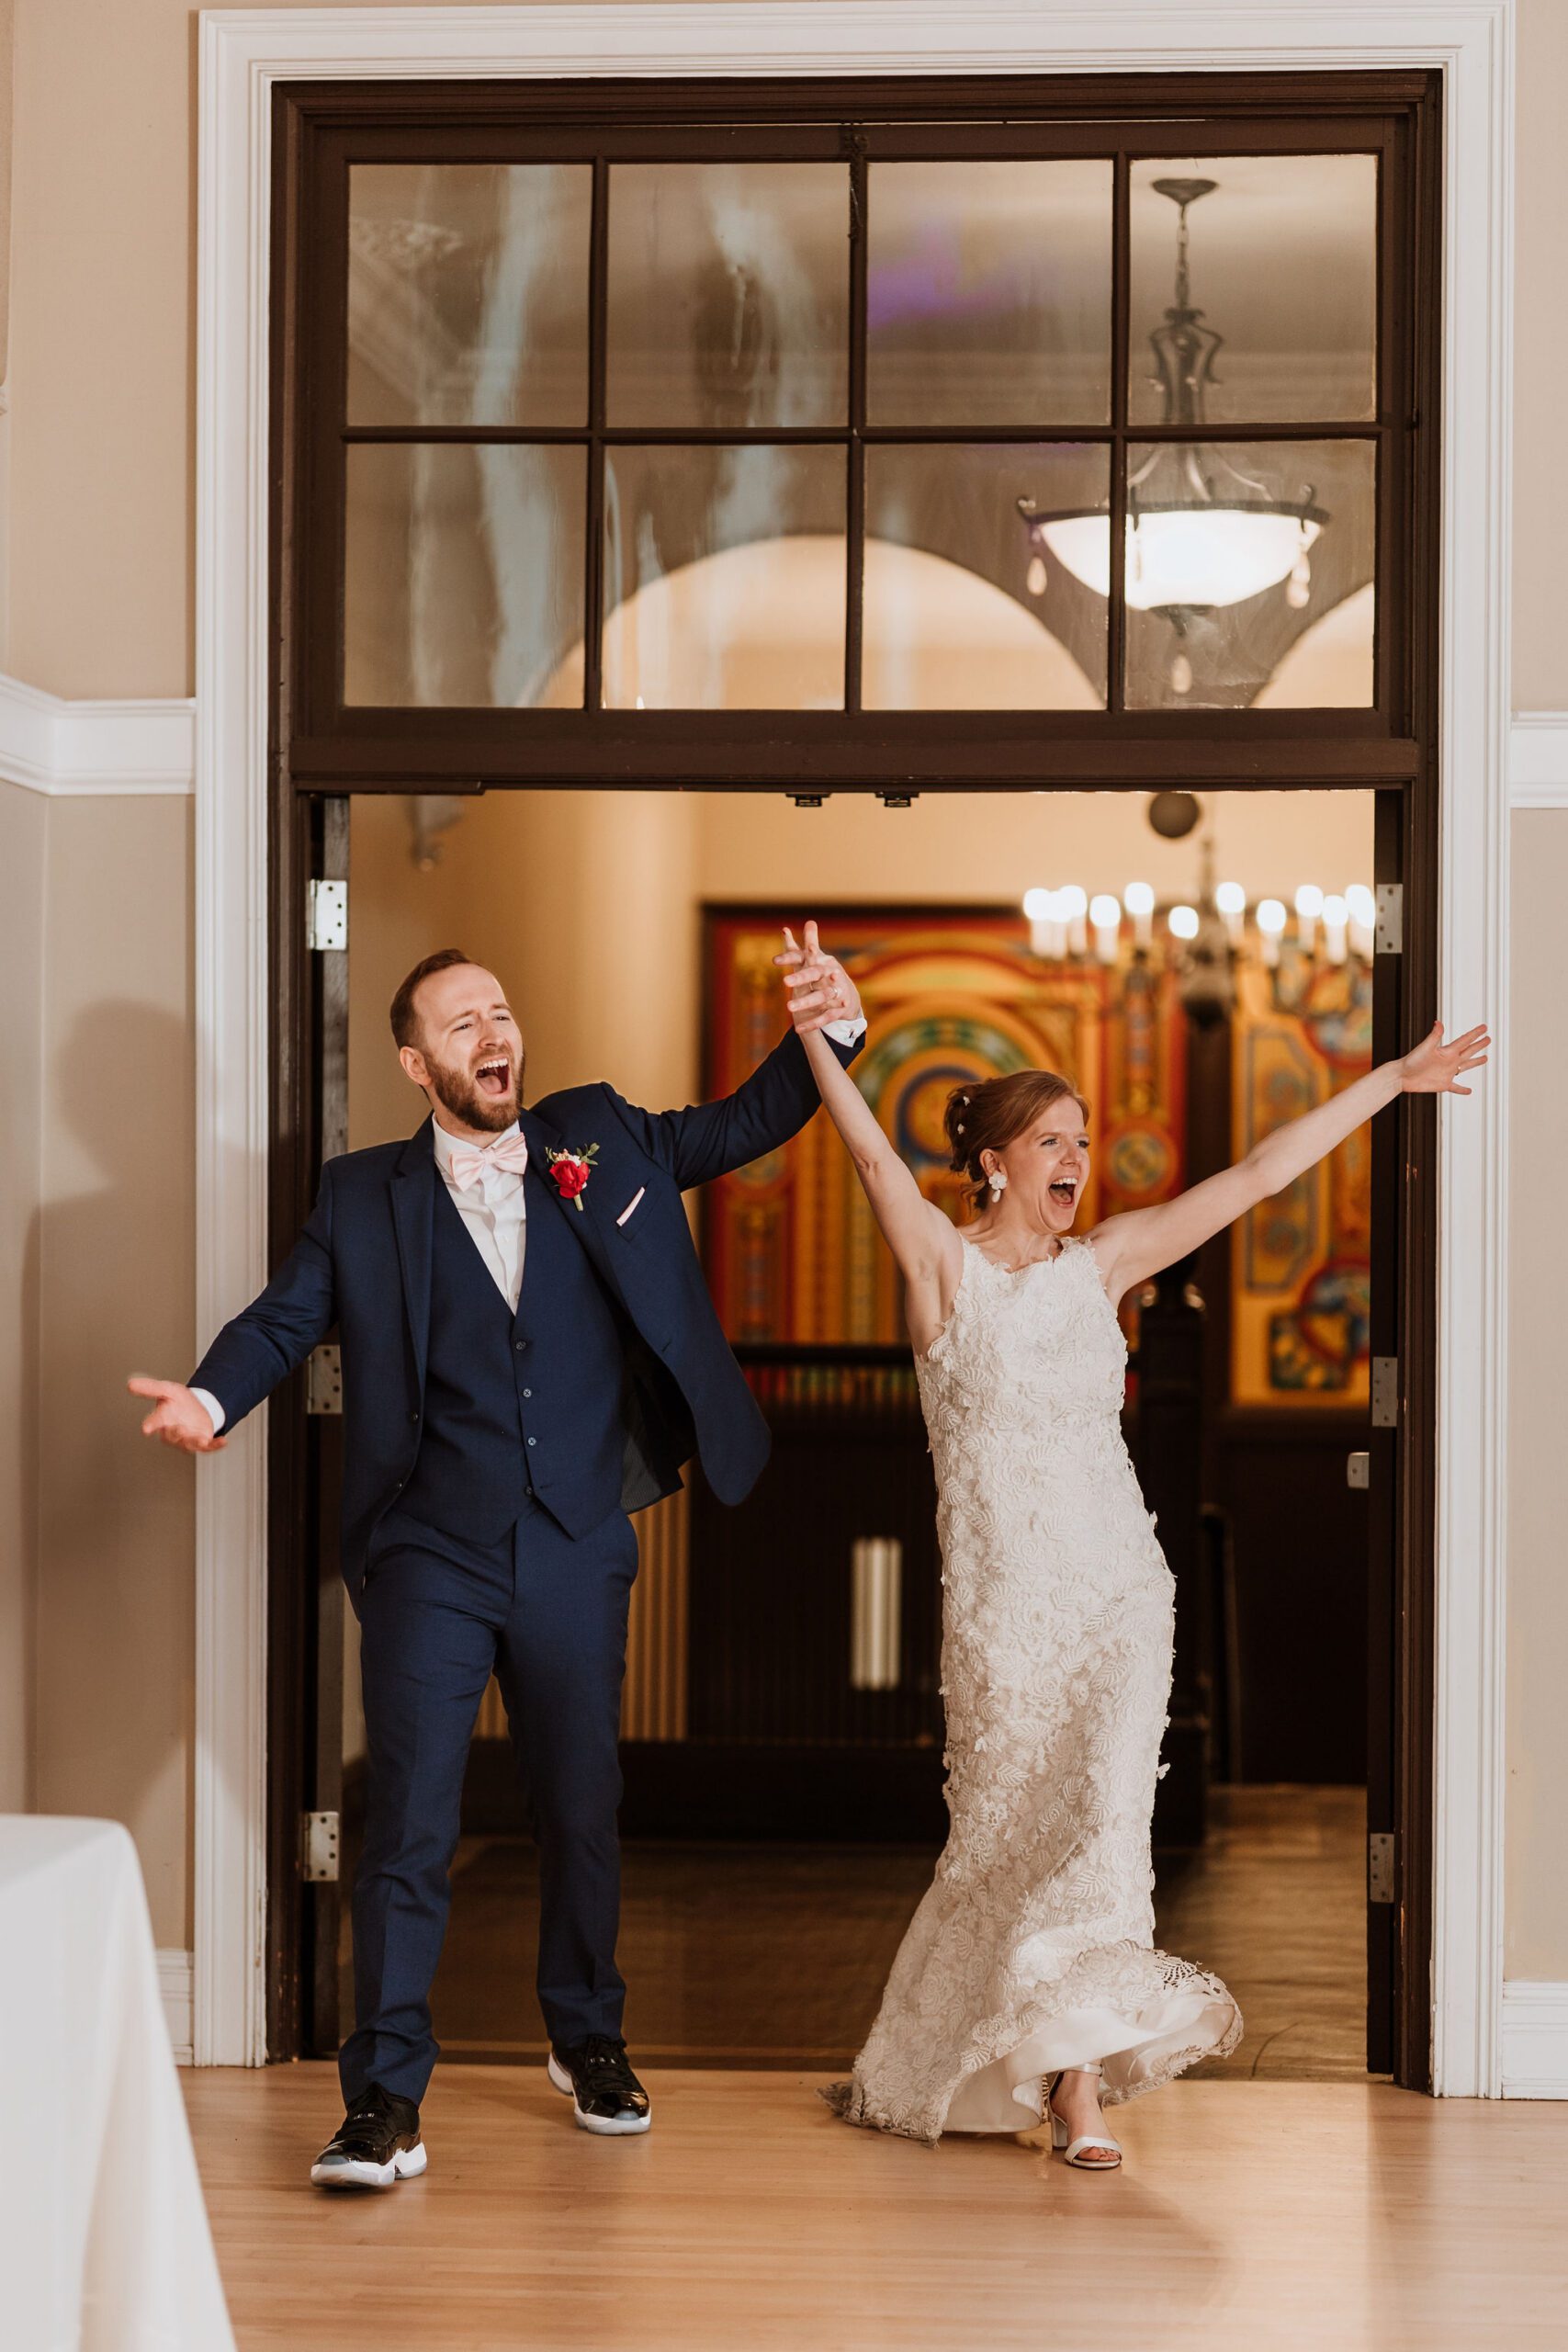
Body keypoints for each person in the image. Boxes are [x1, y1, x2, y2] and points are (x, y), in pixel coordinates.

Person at [130, 943, 865, 2188]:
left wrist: (831, 1036)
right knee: (408, 1824)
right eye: (462, 1022)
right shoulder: (364, 1197)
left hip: (577, 1538)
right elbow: (283, 1317)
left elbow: (743, 1125)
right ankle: (383, 2103)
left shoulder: (601, 1137)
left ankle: (589, 2041)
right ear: (418, 1062)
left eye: (502, 1012)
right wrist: (212, 1396)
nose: (492, 1032)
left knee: (579, 1807)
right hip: (429, 1547)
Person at [780, 921, 1489, 2170]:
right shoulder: (946, 1274)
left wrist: (1391, 1081)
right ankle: (968, 2058)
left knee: (1108, 1823)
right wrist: (815, 1040)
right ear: (994, 1165)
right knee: (1008, 1843)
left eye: (1086, 1142)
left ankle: (1075, 2095)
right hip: (1004, 1620)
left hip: (1119, 1596)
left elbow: (1259, 1178)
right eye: (1052, 1141)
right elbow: (879, 1170)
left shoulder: (1103, 1265)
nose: (1079, 1160)